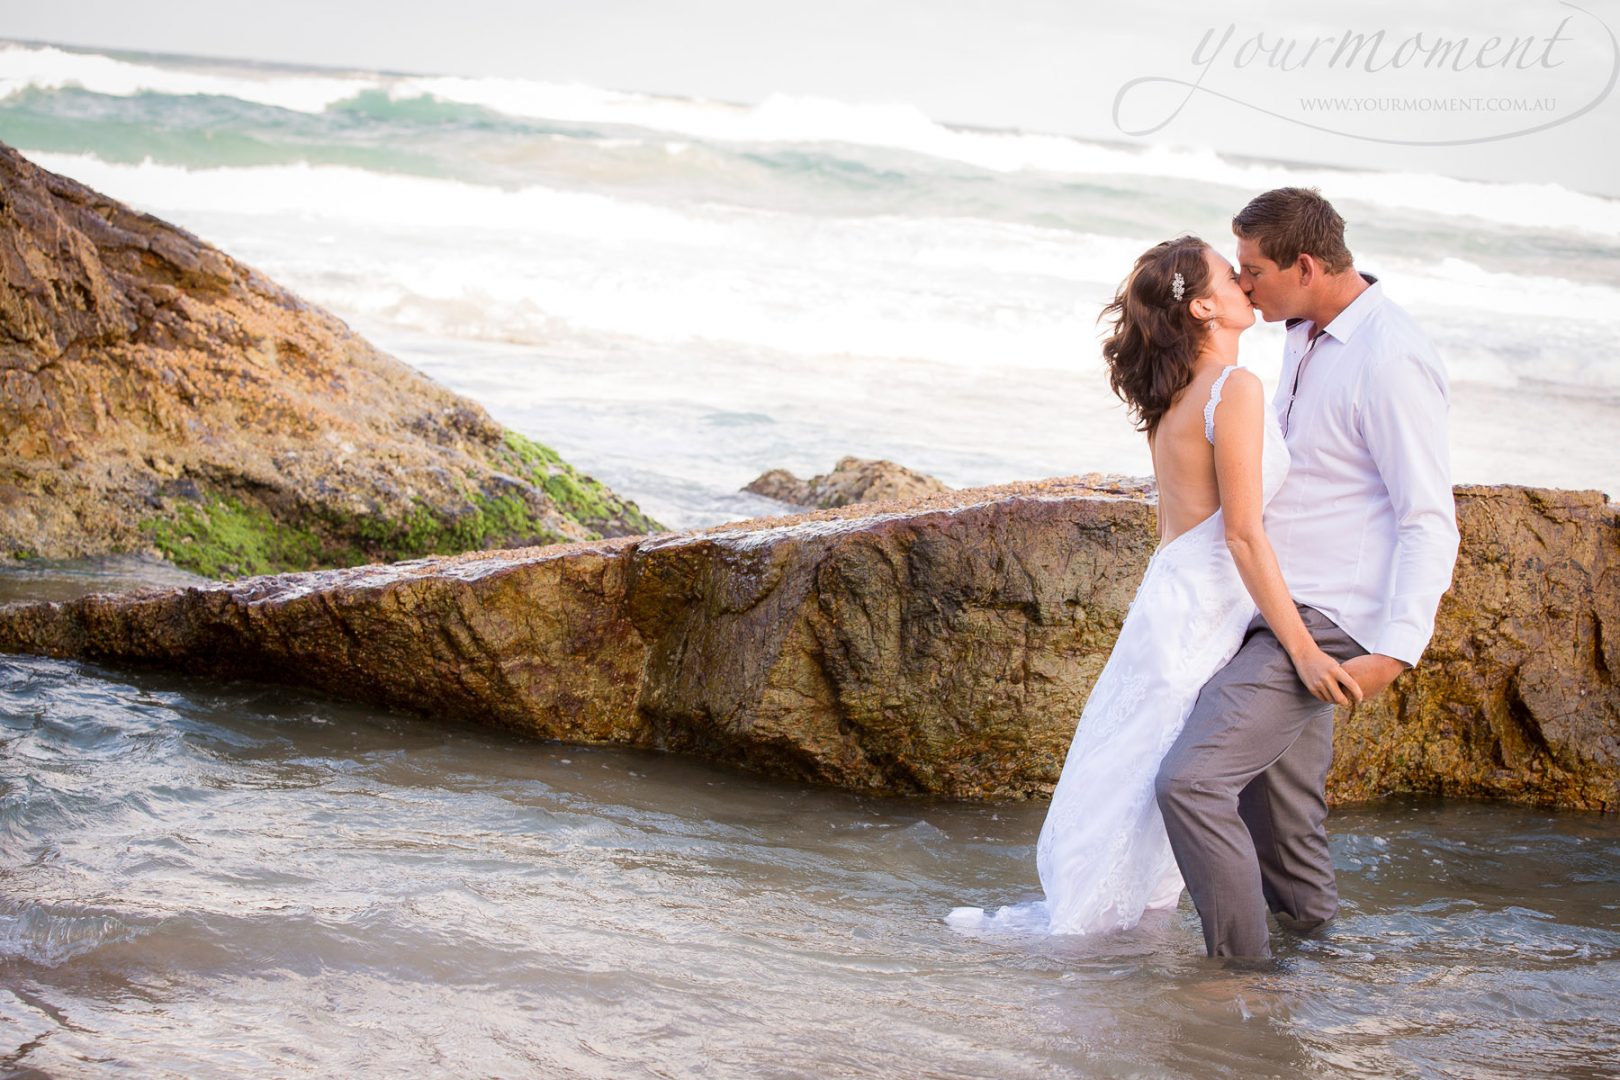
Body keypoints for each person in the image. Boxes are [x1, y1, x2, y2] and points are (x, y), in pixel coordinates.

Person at [946, 233, 1361, 937]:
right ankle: (1141, 945)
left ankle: (1124, 938)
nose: (1247, 284)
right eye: (1234, 277)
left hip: (1173, 598)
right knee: (1156, 782)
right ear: (1204, 307)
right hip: (1203, 609)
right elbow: (1243, 534)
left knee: (1136, 775)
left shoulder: (1175, 393)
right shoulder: (1233, 389)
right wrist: (1304, 646)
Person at [1155, 187, 1460, 960]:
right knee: (1284, 827)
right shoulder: (1298, 331)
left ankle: (1240, 980)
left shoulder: (1390, 359)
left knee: (1191, 783)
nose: (1243, 285)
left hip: (1326, 616)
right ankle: (1319, 976)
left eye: (1254, 271)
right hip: (1269, 606)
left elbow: (1428, 518)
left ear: (1308, 264)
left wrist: (1397, 650)